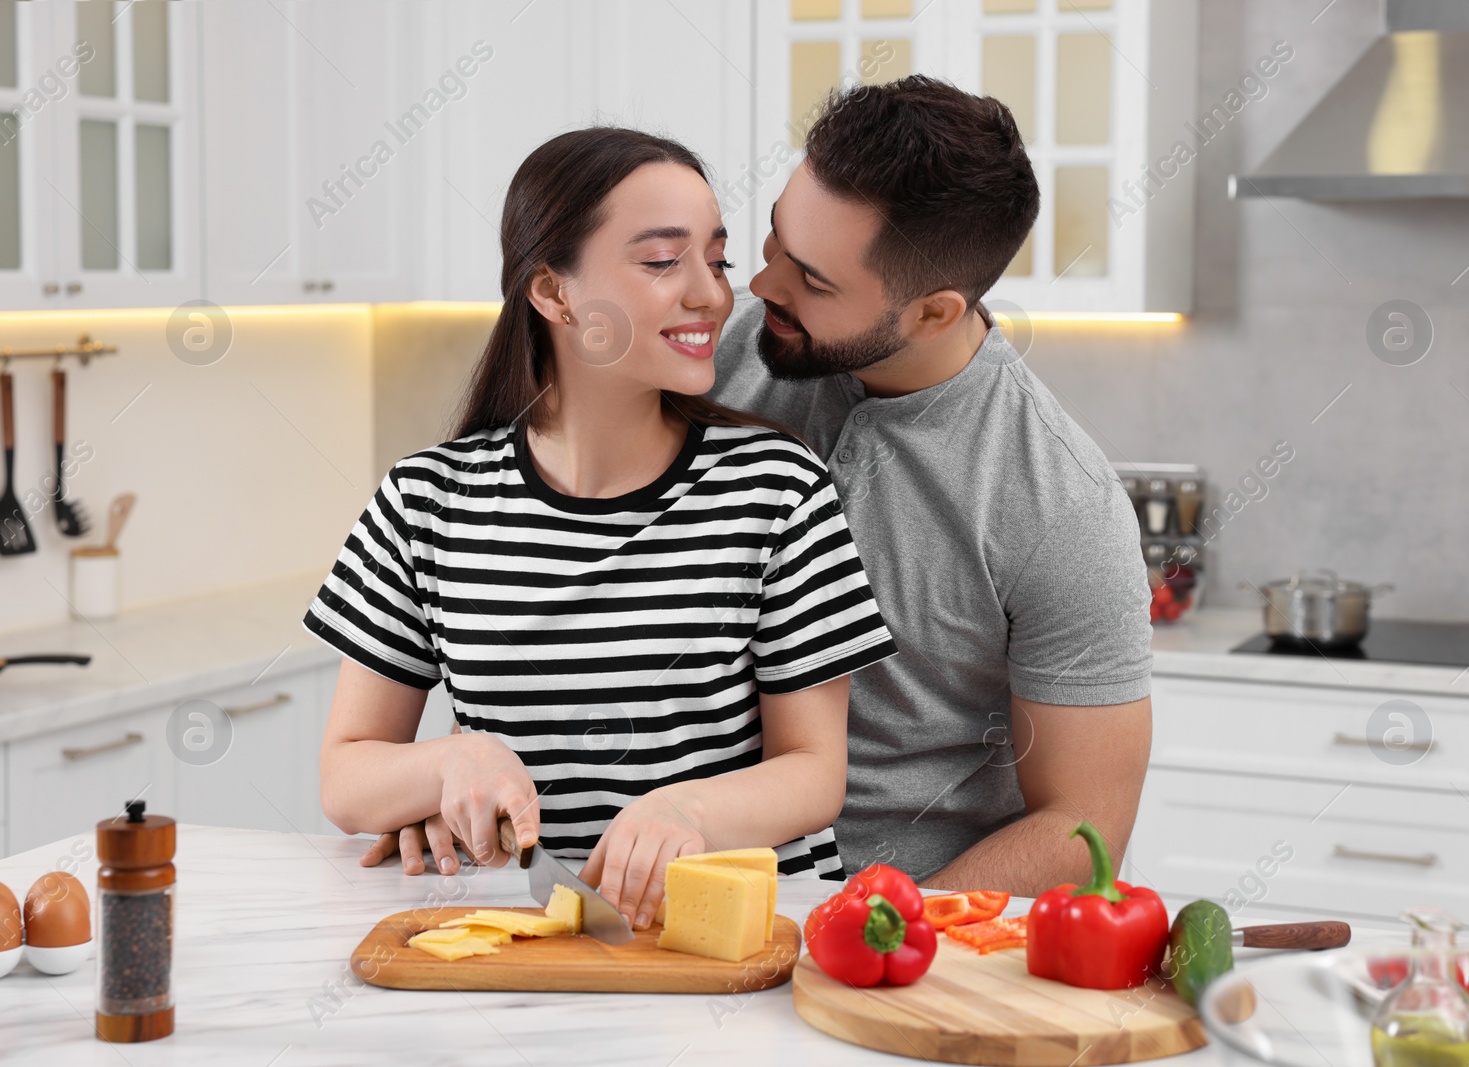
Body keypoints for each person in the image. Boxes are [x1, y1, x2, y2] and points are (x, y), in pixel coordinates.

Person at [306, 127, 897, 929]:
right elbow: (347, 776)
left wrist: (687, 813)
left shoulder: (778, 489)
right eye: (662, 261)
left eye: (716, 261)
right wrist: (450, 764)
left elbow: (815, 771)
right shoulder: (425, 502)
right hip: (530, 932)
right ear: (552, 293)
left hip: (742, 937)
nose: (712, 295)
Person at [704, 76, 1153, 895]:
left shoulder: (1061, 506)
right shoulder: (705, 359)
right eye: (773, 237)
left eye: (814, 280)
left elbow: (1083, 827)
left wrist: (878, 924)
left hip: (898, 946)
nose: (763, 284)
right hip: (657, 898)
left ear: (934, 314)